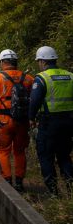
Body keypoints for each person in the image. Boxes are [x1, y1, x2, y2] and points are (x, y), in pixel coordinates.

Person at [0, 49, 34, 191]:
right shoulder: (28, 78)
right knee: (19, 151)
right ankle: (19, 181)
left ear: (2, 62)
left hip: (4, 120)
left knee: (3, 150)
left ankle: (6, 180)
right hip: (23, 121)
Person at [30, 46, 73, 194]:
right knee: (64, 155)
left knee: (46, 155)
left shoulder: (42, 78)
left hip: (49, 124)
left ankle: (54, 191)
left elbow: (34, 101)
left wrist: (31, 118)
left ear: (42, 61)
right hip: (68, 123)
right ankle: (70, 188)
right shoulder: (70, 76)